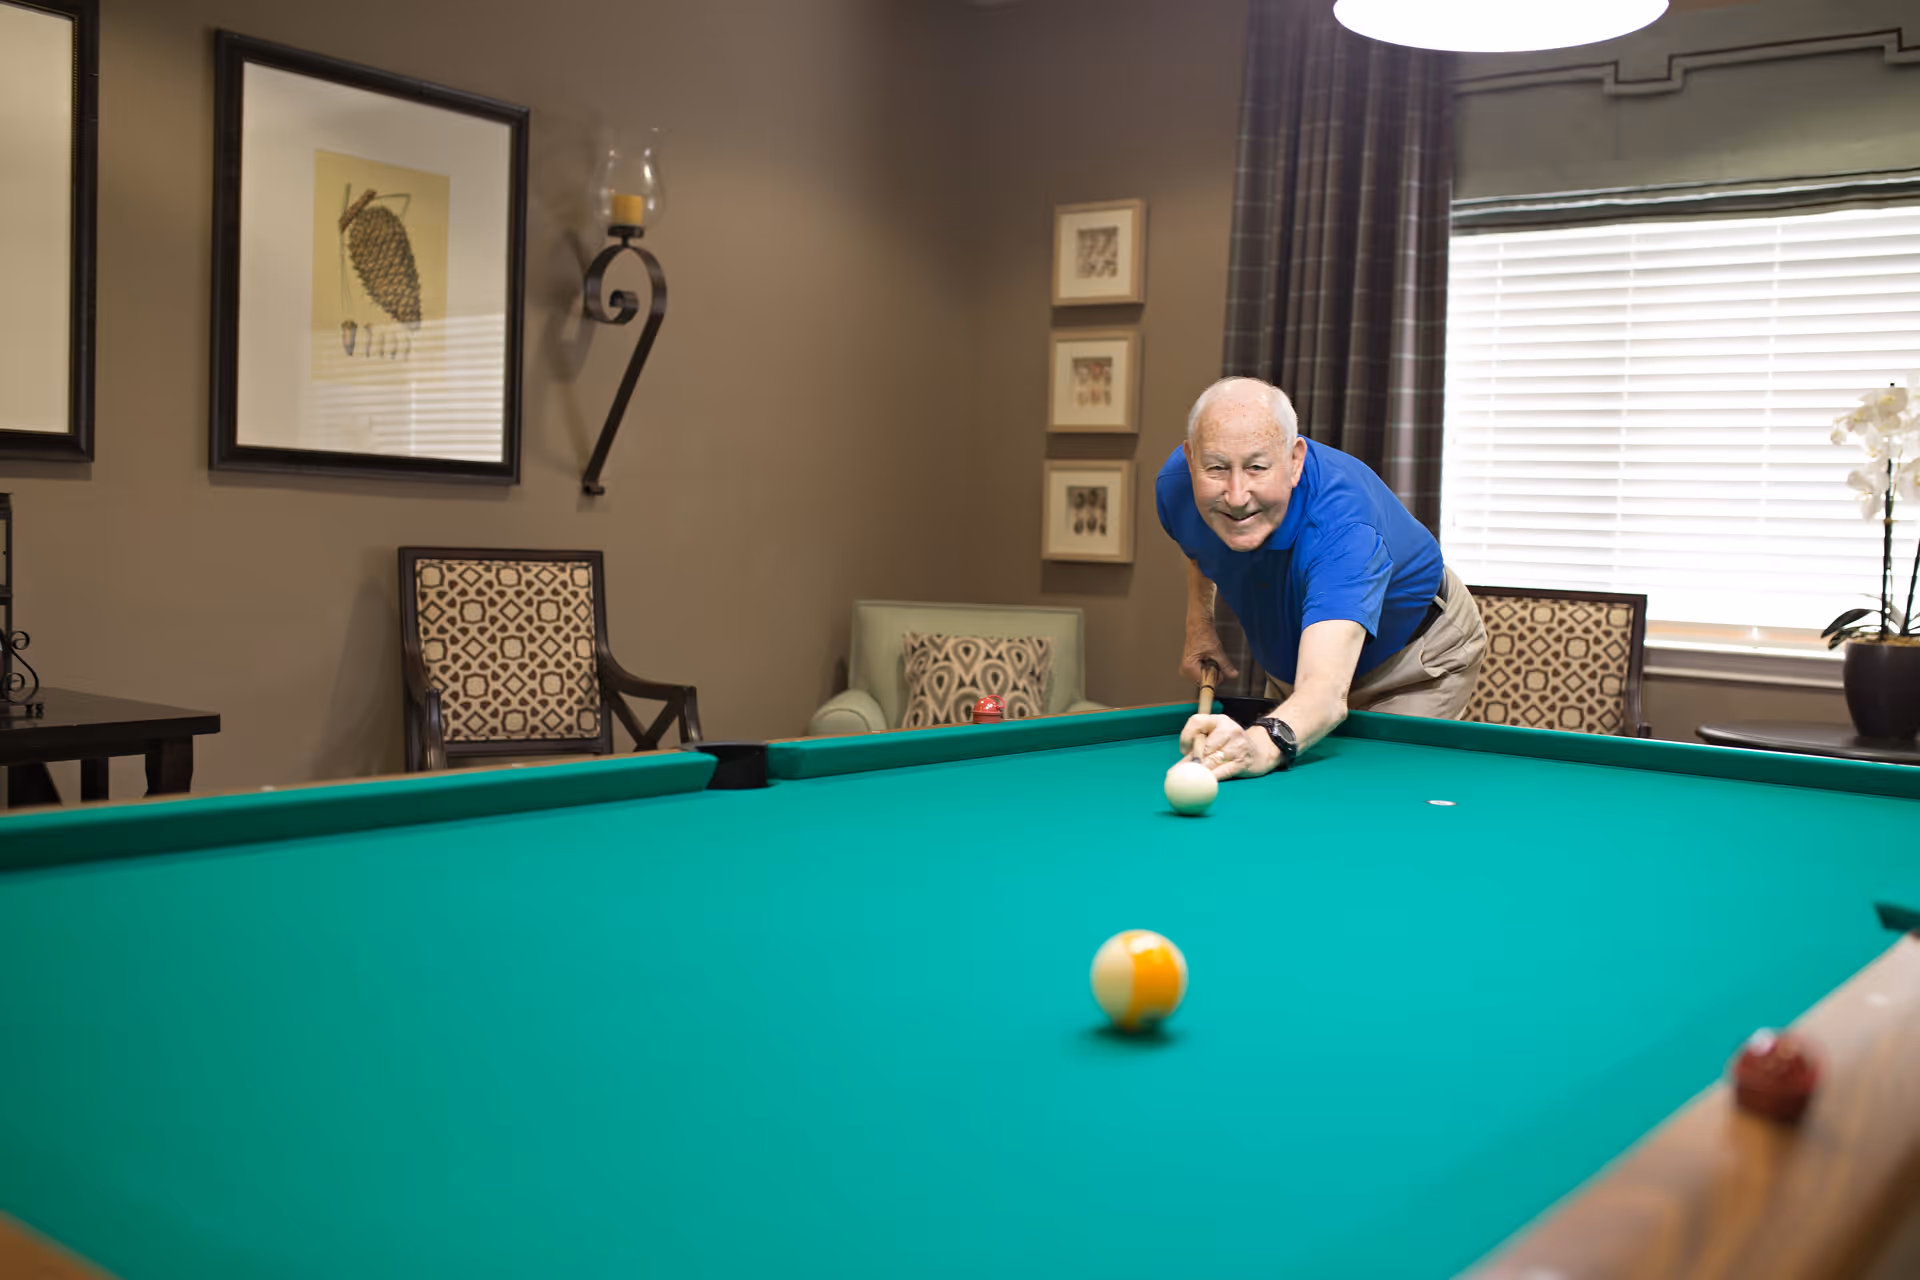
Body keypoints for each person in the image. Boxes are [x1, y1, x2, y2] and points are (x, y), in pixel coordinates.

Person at [1157, 377, 1487, 781]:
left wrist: (1257, 746)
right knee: (1284, 793)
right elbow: (1198, 548)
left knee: (1378, 794)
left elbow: (1323, 696)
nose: (1237, 495)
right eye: (1217, 468)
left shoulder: (1345, 527)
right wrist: (1200, 626)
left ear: (1295, 460)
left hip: (1411, 662)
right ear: (1190, 460)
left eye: (1258, 467)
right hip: (1300, 662)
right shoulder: (1178, 489)